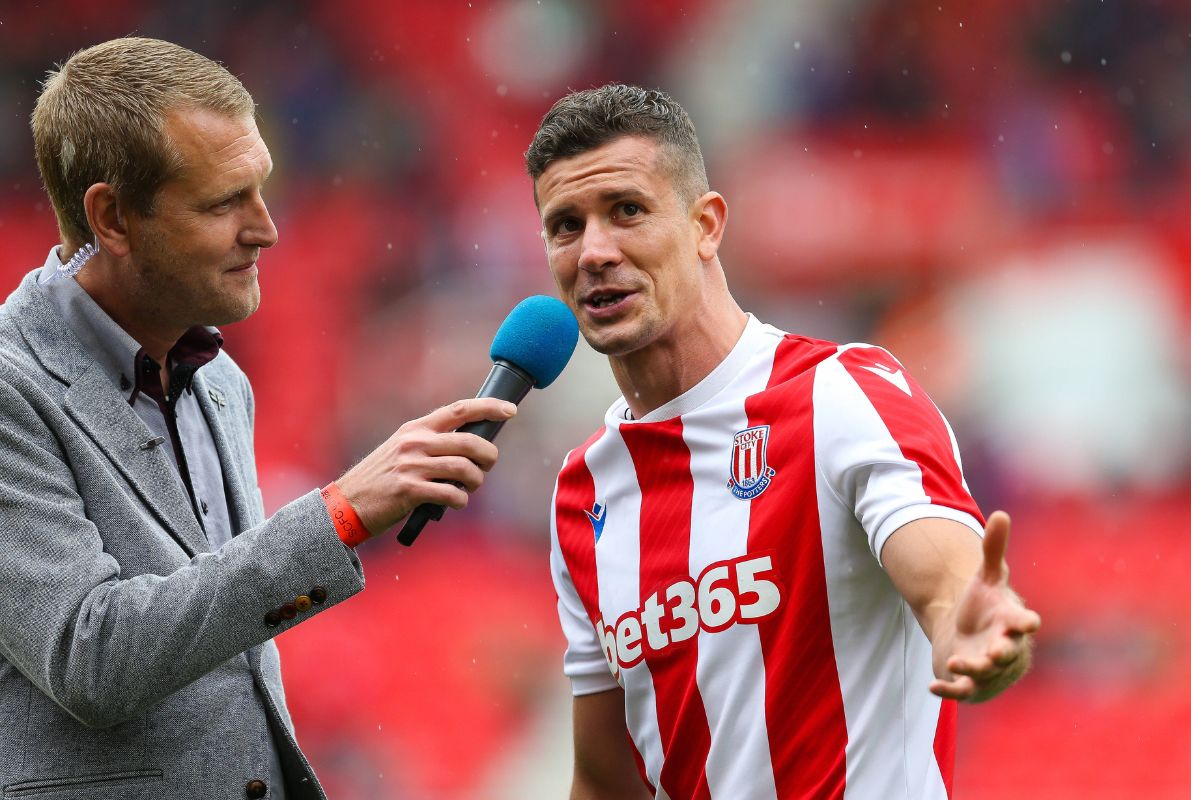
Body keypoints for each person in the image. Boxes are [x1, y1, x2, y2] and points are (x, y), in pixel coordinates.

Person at [0, 37, 514, 800]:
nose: (267, 229)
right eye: (222, 203)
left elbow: (227, 655)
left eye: (261, 190)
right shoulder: (11, 389)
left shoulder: (221, 381)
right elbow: (92, 659)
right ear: (111, 217)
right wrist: (338, 516)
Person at [528, 84, 1042, 800]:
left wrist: (968, 625)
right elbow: (606, 782)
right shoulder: (583, 492)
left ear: (706, 225)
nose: (594, 251)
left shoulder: (843, 394)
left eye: (627, 211)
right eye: (566, 226)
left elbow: (943, 579)